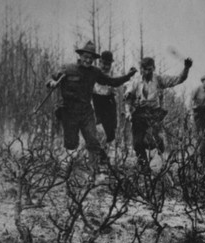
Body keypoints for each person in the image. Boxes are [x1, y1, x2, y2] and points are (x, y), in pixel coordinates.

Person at [47, 41, 137, 171]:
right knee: (71, 144)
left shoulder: (95, 72)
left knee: (93, 141)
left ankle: (93, 170)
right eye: (86, 57)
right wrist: (52, 83)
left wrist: (128, 76)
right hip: (69, 111)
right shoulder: (68, 68)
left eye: (91, 58)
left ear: (94, 60)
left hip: (86, 112)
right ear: (80, 56)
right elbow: (51, 76)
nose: (88, 60)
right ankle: (69, 164)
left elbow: (111, 81)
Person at [124, 56, 193, 169]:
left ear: (153, 68)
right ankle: (144, 167)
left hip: (154, 114)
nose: (146, 72)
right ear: (141, 69)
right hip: (139, 113)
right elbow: (128, 98)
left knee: (157, 143)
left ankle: (158, 160)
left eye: (149, 69)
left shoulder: (158, 79)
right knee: (137, 143)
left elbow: (179, 79)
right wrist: (128, 112)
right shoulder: (136, 81)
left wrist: (186, 68)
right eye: (144, 69)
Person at [92, 51, 118, 154]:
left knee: (109, 133)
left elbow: (116, 91)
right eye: (104, 63)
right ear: (99, 62)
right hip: (96, 103)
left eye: (108, 64)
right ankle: (94, 155)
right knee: (98, 131)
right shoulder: (94, 73)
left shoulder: (113, 75)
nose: (106, 66)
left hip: (109, 104)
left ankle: (104, 157)